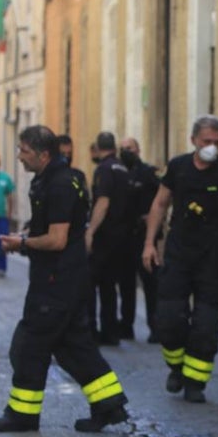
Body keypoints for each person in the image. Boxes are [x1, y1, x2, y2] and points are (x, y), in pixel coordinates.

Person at [0, 125, 129, 433]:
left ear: (43, 154)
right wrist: (24, 236)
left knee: (29, 345)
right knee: (73, 345)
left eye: (24, 150)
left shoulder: (60, 184)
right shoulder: (57, 178)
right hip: (67, 277)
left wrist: (22, 244)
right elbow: (50, 228)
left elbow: (57, 239)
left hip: (56, 281)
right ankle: (109, 404)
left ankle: (22, 415)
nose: (19, 157)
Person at [143, 115, 218, 403]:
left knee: (206, 323)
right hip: (178, 251)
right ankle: (176, 368)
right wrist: (149, 243)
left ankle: (195, 382)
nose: (212, 147)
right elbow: (160, 204)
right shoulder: (178, 167)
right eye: (206, 142)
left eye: (216, 142)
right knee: (169, 318)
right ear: (194, 141)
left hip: (213, 254)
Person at [85, 131, 133, 345]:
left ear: (98, 147)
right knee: (109, 285)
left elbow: (102, 202)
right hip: (122, 236)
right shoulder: (123, 168)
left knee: (91, 283)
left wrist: (91, 231)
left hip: (105, 235)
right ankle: (111, 331)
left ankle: (91, 330)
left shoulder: (103, 169)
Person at [120, 137, 161, 341]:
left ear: (138, 149)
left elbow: (163, 198)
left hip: (145, 236)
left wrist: (152, 217)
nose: (126, 152)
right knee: (126, 284)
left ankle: (155, 327)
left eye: (130, 148)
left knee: (151, 284)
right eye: (123, 149)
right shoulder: (119, 172)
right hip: (125, 237)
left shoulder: (148, 173)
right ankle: (126, 326)